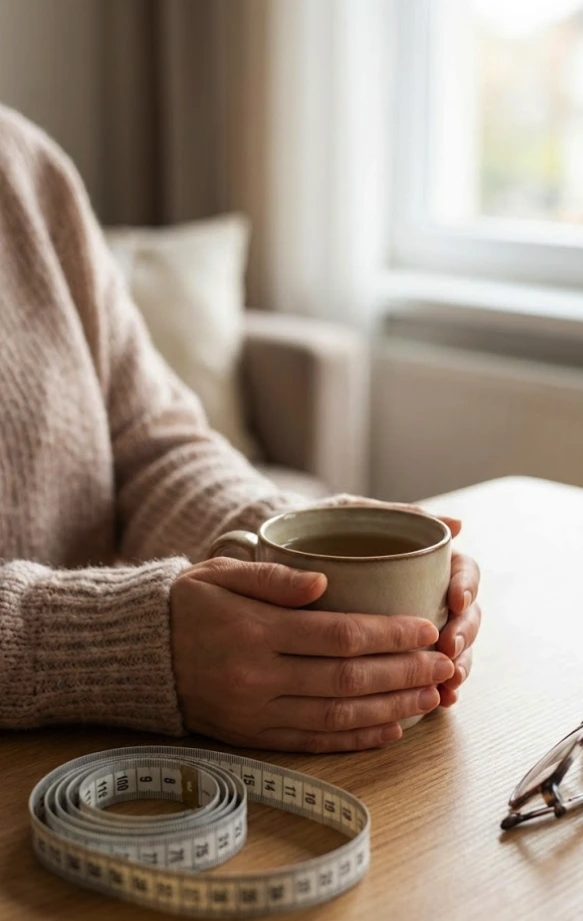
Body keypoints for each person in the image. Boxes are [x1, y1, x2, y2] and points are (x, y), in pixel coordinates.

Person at [0, 105, 480, 753]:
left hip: (94, 758)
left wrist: (288, 536)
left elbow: (152, 446)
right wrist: (123, 649)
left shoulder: (24, 168)